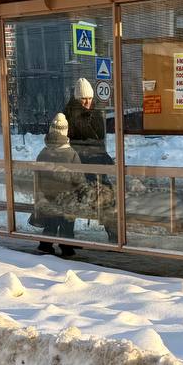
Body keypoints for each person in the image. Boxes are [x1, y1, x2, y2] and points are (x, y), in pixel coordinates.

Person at [62, 77, 118, 242]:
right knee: (72, 201)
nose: (87, 101)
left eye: (89, 98)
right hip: (77, 165)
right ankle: (67, 239)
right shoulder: (68, 115)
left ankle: (115, 236)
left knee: (107, 196)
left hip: (96, 165)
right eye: (83, 98)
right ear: (77, 98)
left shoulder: (95, 114)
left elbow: (99, 141)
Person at [33, 113, 83, 257]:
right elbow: (78, 177)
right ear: (65, 131)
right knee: (67, 222)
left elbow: (38, 176)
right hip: (67, 198)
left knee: (51, 223)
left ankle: (45, 245)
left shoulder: (43, 153)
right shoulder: (71, 154)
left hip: (47, 198)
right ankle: (67, 246)